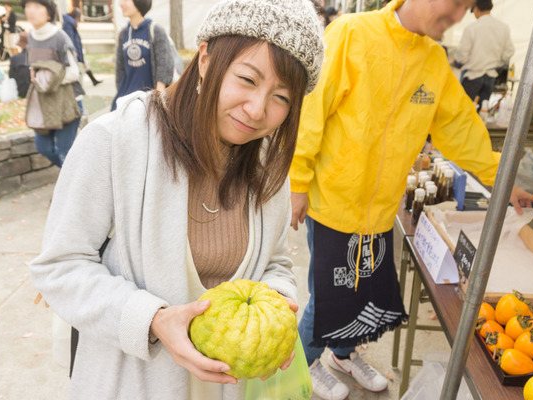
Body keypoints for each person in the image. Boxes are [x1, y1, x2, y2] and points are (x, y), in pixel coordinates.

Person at [29, 0, 324, 398]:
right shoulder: (114, 141)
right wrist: (151, 319)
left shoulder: (266, 165)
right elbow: (60, 267)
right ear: (205, 58)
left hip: (230, 388)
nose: (257, 110)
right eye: (247, 79)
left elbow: (275, 263)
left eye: (281, 97)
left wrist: (276, 307)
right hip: (134, 383)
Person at [288, 0, 533, 399]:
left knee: (360, 294)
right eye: (456, 3)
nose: (458, 16)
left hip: (380, 210)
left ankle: (342, 354)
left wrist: (503, 181)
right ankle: (304, 367)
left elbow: (462, 131)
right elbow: (310, 112)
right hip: (332, 203)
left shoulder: (434, 62)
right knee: (328, 299)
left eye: (466, 7)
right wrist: (298, 182)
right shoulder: (352, 34)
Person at [21, 0, 85, 167]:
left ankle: (74, 180)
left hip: (67, 102)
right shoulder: (31, 36)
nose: (31, 11)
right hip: (45, 103)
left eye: (37, 7)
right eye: (28, 6)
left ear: (49, 13)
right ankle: (75, 175)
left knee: (65, 151)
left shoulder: (59, 37)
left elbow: (74, 72)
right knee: (44, 147)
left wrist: (46, 79)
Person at [111, 0, 174, 110]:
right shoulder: (123, 34)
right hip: (126, 101)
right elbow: (120, 69)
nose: (121, 3)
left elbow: (164, 65)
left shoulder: (155, 30)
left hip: (148, 103)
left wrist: (158, 99)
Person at [454, 0, 514, 112]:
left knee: (463, 112)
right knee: (482, 113)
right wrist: (498, 63)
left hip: (472, 77)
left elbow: (462, 56)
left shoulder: (471, 28)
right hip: (490, 77)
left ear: (476, 9)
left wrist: (456, 62)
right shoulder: (503, 28)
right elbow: (509, 51)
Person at [62, 8, 102, 86]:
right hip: (74, 50)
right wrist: (74, 50)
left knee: (84, 63)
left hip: (76, 49)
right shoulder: (69, 24)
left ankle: (93, 80)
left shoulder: (70, 23)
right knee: (79, 66)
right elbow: (70, 38)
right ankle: (91, 81)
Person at [9, 31, 30, 98]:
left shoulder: (15, 58)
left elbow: (11, 76)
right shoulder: (39, 57)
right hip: (37, 91)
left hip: (21, 91)